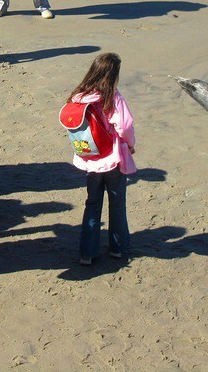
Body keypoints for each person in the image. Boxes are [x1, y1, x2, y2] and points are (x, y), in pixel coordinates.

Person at [67, 53, 136, 265]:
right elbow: (124, 126)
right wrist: (131, 145)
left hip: (90, 158)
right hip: (113, 158)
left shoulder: (78, 96)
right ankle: (117, 248)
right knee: (117, 204)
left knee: (92, 204)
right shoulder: (112, 96)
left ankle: (87, 253)